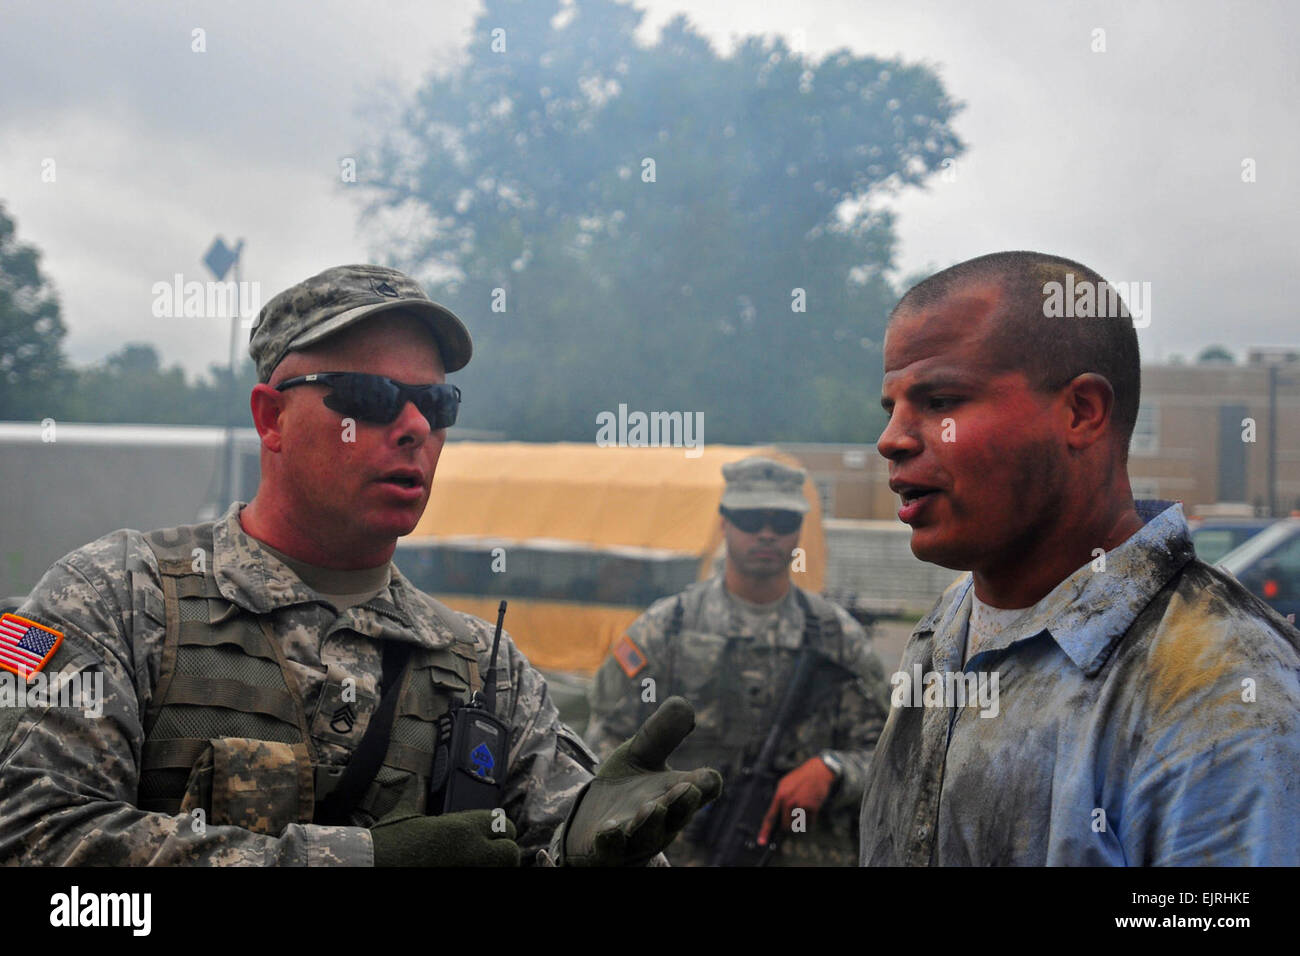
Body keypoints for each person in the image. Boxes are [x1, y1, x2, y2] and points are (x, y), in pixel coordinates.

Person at [0, 264, 720, 866]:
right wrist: (355, 861)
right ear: (271, 418)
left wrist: (601, 852)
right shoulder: (109, 601)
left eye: (436, 404)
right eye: (370, 398)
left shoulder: (485, 672)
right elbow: (34, 838)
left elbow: (564, 841)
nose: (413, 427)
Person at [861, 250, 1300, 866]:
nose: (892, 439)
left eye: (939, 401)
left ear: (1081, 412)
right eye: (893, 408)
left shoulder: (1219, 692)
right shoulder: (945, 628)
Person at [586, 456, 890, 866]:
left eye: (781, 522)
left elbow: (890, 756)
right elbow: (604, 744)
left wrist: (833, 769)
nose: (766, 534)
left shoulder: (840, 639)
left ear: (799, 530)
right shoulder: (665, 629)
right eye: (750, 519)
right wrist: (654, 802)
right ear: (725, 522)